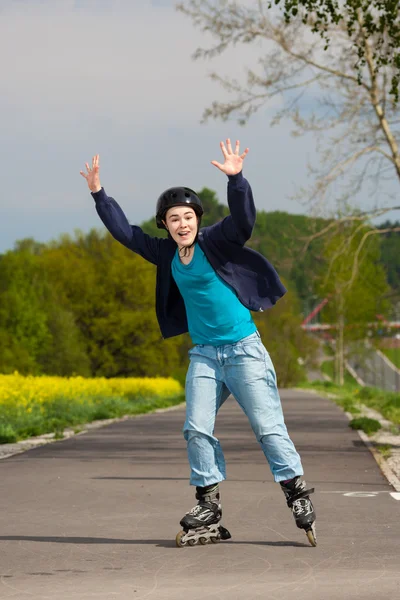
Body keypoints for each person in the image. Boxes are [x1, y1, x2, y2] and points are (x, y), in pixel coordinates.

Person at [80, 139, 316, 548]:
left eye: (188, 216)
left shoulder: (215, 242)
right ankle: (208, 503)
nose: (182, 224)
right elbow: (125, 233)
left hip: (243, 350)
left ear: (197, 219)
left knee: (267, 427)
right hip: (205, 355)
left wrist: (236, 179)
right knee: (196, 428)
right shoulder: (165, 253)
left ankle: (296, 493)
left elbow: (243, 221)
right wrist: (100, 195)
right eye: (174, 219)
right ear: (165, 225)